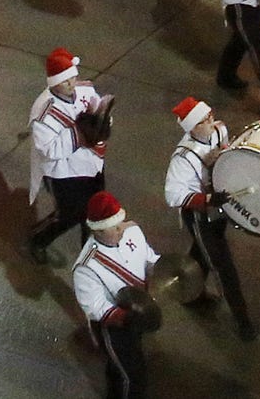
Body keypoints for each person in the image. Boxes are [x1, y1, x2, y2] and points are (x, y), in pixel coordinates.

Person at [163, 98, 254, 339]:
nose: (211, 122)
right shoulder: (182, 158)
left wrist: (224, 154)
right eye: (205, 121)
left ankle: (187, 287)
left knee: (202, 252)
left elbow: (227, 154)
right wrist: (205, 200)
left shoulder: (219, 130)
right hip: (201, 215)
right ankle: (241, 318)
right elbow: (173, 195)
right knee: (222, 265)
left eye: (211, 116)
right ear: (192, 128)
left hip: (219, 205)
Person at [27, 49, 114, 258]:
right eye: (65, 81)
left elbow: (100, 111)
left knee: (94, 210)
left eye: (73, 78)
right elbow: (49, 148)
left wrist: (103, 124)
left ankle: (91, 254)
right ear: (53, 83)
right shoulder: (43, 112)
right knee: (70, 215)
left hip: (91, 164)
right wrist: (79, 133)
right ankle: (38, 239)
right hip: (64, 174)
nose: (71, 84)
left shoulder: (85, 90)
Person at [72, 190, 159, 399]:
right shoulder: (86, 267)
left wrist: (161, 271)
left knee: (120, 366)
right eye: (115, 227)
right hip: (113, 328)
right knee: (133, 376)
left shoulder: (133, 231)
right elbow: (94, 307)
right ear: (98, 232)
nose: (122, 230)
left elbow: (149, 258)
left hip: (138, 312)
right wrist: (126, 316)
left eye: (120, 223)